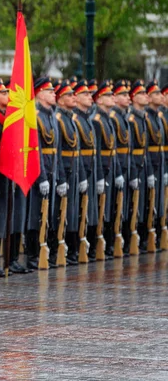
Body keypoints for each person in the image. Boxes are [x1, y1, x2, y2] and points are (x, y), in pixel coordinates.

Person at [0, 79, 30, 274]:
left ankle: (6, 259)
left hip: (6, 173)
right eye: (3, 93)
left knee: (6, 216)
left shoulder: (5, 116)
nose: (8, 96)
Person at [25, 77, 65, 269]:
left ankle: (46, 251)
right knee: (36, 214)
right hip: (38, 172)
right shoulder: (35, 116)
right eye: (49, 91)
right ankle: (33, 255)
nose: (53, 94)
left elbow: (57, 150)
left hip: (53, 169)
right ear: (39, 93)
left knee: (50, 213)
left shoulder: (51, 116)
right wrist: (41, 177)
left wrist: (60, 176)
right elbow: (36, 148)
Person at [55, 80, 87, 265]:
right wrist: (60, 177)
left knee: (73, 212)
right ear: (60, 100)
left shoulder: (70, 119)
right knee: (60, 213)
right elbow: (57, 152)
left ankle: (72, 249)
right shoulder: (59, 119)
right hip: (64, 171)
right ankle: (57, 249)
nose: (73, 97)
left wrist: (81, 175)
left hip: (74, 169)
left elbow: (78, 150)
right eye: (69, 95)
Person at [91, 80, 124, 258]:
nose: (112, 98)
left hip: (111, 168)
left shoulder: (107, 120)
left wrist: (117, 172)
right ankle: (97, 243)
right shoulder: (97, 121)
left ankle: (108, 242)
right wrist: (100, 176)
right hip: (102, 169)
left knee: (111, 208)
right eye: (108, 95)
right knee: (99, 209)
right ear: (100, 100)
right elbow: (96, 151)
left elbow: (113, 150)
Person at [72, 80, 101, 261]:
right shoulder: (76, 120)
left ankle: (85, 246)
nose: (90, 97)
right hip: (76, 170)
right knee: (75, 212)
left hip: (90, 170)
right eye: (86, 94)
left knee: (88, 211)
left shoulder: (86, 120)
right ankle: (73, 247)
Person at [110, 80, 137, 255]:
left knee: (126, 207)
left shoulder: (124, 117)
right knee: (113, 207)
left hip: (127, 165)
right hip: (112, 168)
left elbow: (130, 148)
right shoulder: (113, 118)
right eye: (124, 95)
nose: (128, 98)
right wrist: (118, 171)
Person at [129, 80, 154, 251]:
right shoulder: (131, 119)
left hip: (144, 164)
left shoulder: (142, 118)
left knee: (145, 203)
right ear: (134, 98)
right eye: (142, 93)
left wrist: (150, 170)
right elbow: (129, 149)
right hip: (133, 166)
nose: (147, 96)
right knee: (130, 206)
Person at [145, 80, 166, 249]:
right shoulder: (146, 117)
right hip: (148, 164)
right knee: (148, 202)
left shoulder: (157, 117)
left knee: (159, 202)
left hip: (160, 163)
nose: (160, 96)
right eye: (156, 93)